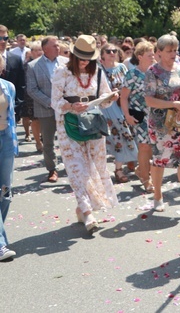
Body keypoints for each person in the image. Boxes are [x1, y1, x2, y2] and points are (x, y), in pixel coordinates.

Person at [51, 35, 119, 234]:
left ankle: (83, 208)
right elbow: (54, 101)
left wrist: (111, 97)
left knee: (96, 166)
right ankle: (88, 211)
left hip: (93, 122)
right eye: (81, 57)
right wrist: (71, 105)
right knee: (77, 167)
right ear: (73, 55)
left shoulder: (97, 71)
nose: (84, 61)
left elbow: (104, 99)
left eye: (88, 57)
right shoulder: (61, 72)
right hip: (69, 124)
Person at [143, 35, 180, 219]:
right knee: (160, 161)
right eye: (168, 50)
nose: (173, 54)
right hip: (160, 125)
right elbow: (149, 99)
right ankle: (158, 196)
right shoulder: (152, 72)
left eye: (175, 50)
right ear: (158, 52)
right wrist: (173, 105)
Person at [26, 36, 68, 182]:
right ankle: (52, 169)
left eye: (58, 46)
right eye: (55, 46)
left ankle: (71, 166)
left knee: (68, 138)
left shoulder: (66, 62)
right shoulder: (33, 66)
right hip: (46, 109)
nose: (58, 48)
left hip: (66, 108)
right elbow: (32, 89)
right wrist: (51, 102)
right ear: (45, 49)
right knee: (48, 141)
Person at [100, 43, 139, 183]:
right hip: (108, 107)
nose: (112, 53)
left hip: (123, 105)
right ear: (102, 54)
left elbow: (128, 85)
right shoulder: (100, 69)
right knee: (119, 137)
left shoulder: (122, 67)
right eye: (108, 51)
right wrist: (111, 94)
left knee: (130, 135)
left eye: (114, 51)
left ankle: (132, 163)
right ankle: (118, 169)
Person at [121, 41, 156, 193]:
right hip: (139, 116)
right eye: (150, 55)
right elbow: (123, 97)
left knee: (152, 148)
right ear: (140, 57)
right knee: (144, 146)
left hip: (155, 115)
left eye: (153, 54)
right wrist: (127, 115)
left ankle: (141, 170)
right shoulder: (132, 74)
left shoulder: (155, 72)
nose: (153, 57)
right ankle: (146, 179)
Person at [0, 54, 19, 260]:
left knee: (5, 192)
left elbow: (12, 117)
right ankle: (1, 244)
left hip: (6, 139)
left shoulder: (9, 87)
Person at [20, 41, 43, 148]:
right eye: (37, 50)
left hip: (44, 95)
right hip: (30, 96)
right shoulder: (26, 65)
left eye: (41, 50)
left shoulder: (45, 63)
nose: (39, 52)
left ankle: (43, 137)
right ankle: (37, 141)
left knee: (44, 120)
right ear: (32, 52)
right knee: (35, 119)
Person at [0, 25, 25, 122]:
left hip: (11, 112)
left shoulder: (16, 59)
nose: (2, 41)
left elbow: (21, 85)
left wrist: (16, 107)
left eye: (5, 38)